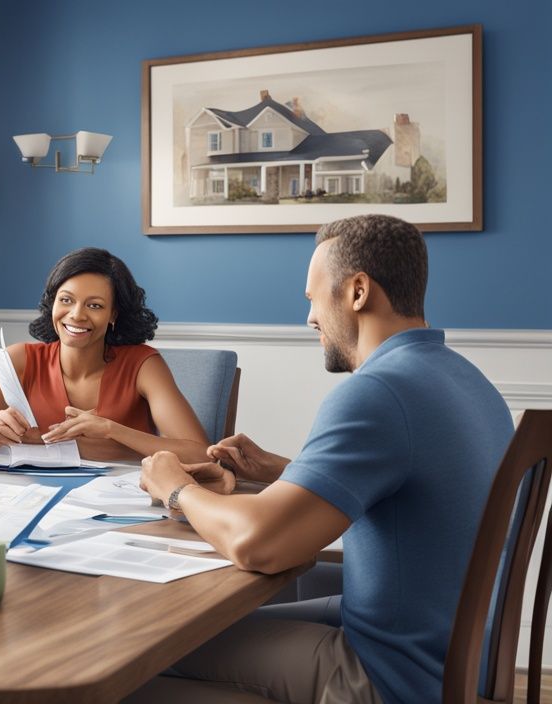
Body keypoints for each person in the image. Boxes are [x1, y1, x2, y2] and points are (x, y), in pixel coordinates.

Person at [137, 215, 513, 703]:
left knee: (146, 652)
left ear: (358, 291)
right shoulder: (461, 379)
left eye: (313, 298)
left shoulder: (379, 391)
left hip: (389, 675)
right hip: (447, 650)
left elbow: (260, 543)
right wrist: (284, 471)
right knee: (181, 634)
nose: (310, 318)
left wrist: (174, 485)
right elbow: (410, 487)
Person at [0, 247, 217, 466]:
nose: (76, 315)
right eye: (66, 300)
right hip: (33, 494)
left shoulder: (143, 365)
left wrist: (111, 430)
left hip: (123, 502)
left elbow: (200, 453)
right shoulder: (22, 359)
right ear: (52, 303)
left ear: (113, 314)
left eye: (94, 305)